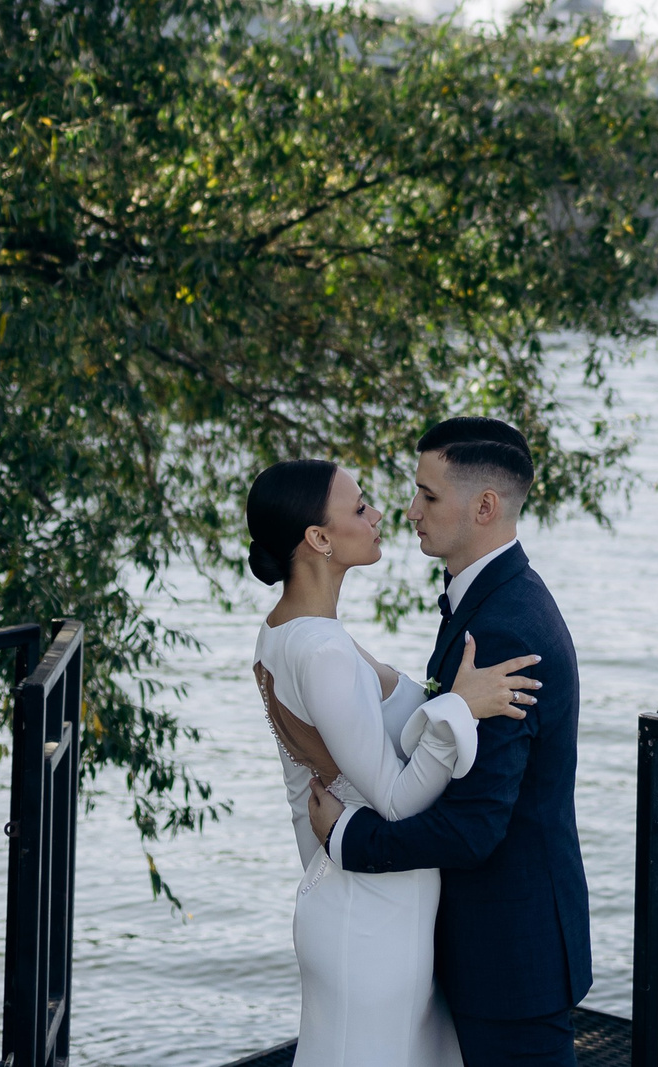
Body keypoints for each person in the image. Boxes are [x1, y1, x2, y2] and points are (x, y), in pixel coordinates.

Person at [309, 420, 592, 1067]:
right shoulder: (486, 601)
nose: (409, 511)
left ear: (484, 505)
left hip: (510, 957)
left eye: (428, 496)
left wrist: (351, 838)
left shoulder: (505, 628)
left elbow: (476, 826)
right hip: (496, 944)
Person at [248, 457, 543, 1067]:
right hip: (369, 917)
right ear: (319, 539)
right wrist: (457, 709)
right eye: (359, 509)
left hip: (376, 907)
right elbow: (397, 799)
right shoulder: (321, 648)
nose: (383, 515)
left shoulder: (290, 631)